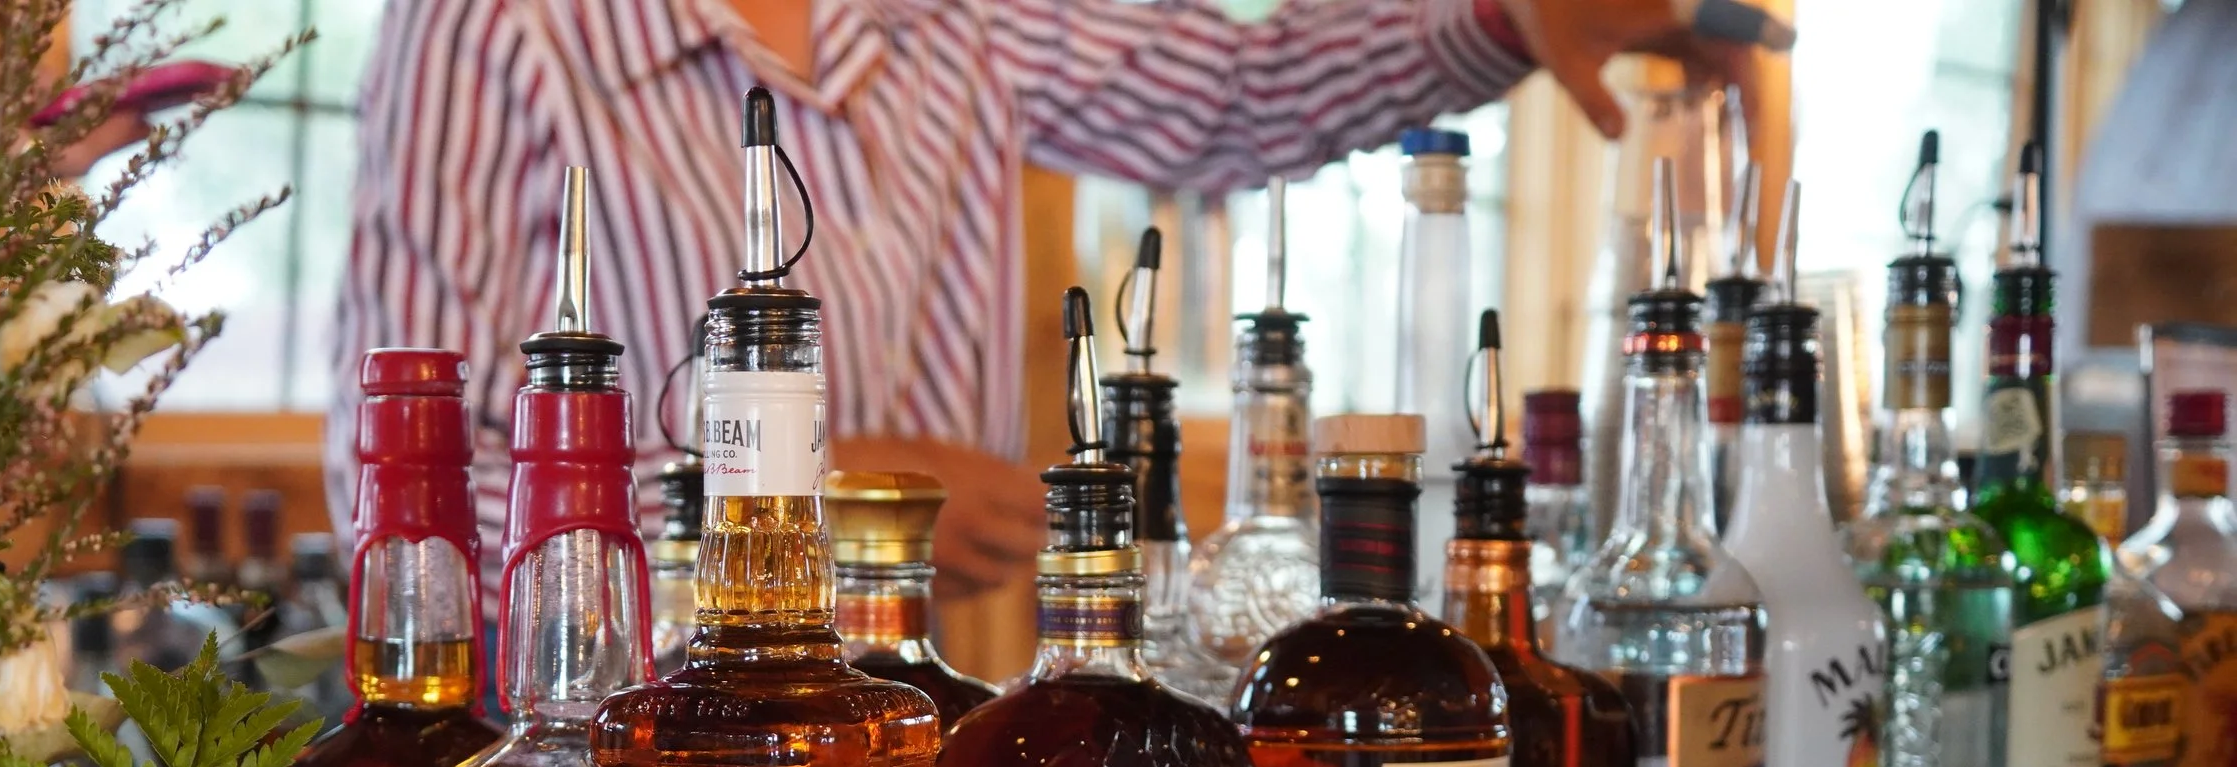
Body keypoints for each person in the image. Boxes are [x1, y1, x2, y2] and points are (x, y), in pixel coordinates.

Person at [327, 0, 1766, 601]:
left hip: (889, 751)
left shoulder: (950, 19)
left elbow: (1234, 87)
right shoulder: (492, 26)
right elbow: (399, 484)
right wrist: (817, 510)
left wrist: (1501, 21)